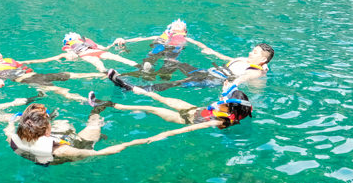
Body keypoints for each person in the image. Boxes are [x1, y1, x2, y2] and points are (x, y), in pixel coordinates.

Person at [5, 102, 163, 165]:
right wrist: (148, 139)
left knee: (64, 124)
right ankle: (99, 107)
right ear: (46, 131)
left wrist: (11, 121)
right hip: (79, 146)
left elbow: (8, 130)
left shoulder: (15, 137)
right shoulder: (63, 150)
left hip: (45, 153)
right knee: (95, 119)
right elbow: (101, 153)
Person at [106, 42, 275, 92]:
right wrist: (212, 52)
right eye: (252, 50)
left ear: (263, 60)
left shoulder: (256, 71)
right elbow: (226, 58)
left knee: (180, 82)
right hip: (207, 72)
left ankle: (135, 88)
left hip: (214, 79)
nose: (251, 53)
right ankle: (145, 74)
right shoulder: (242, 59)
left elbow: (243, 79)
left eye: (255, 52)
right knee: (175, 63)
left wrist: (232, 86)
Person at [90, 83, 253, 131]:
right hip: (192, 109)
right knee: (158, 96)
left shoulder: (220, 121)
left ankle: (106, 104)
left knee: (151, 108)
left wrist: (167, 133)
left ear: (230, 108)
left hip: (185, 120)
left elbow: (189, 129)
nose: (220, 99)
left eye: (223, 100)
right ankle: (129, 87)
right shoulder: (227, 108)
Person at [0, 45, 103, 102]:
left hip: (39, 76)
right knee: (60, 90)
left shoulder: (8, 61)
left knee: (71, 74)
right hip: (31, 81)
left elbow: (32, 61)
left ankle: (105, 75)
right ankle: (87, 101)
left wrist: (58, 56)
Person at [112, 19, 206, 79]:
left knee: (162, 58)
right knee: (164, 57)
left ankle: (153, 69)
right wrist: (125, 40)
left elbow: (142, 39)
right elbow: (141, 39)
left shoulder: (178, 37)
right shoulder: (177, 37)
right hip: (168, 46)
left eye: (179, 25)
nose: (177, 25)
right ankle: (156, 70)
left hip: (166, 46)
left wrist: (206, 49)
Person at [32, 32, 138, 73]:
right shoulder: (70, 48)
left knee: (116, 59)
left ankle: (139, 66)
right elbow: (69, 54)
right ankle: (118, 75)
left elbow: (105, 48)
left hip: (93, 52)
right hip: (88, 54)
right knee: (100, 65)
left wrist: (115, 42)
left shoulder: (86, 42)